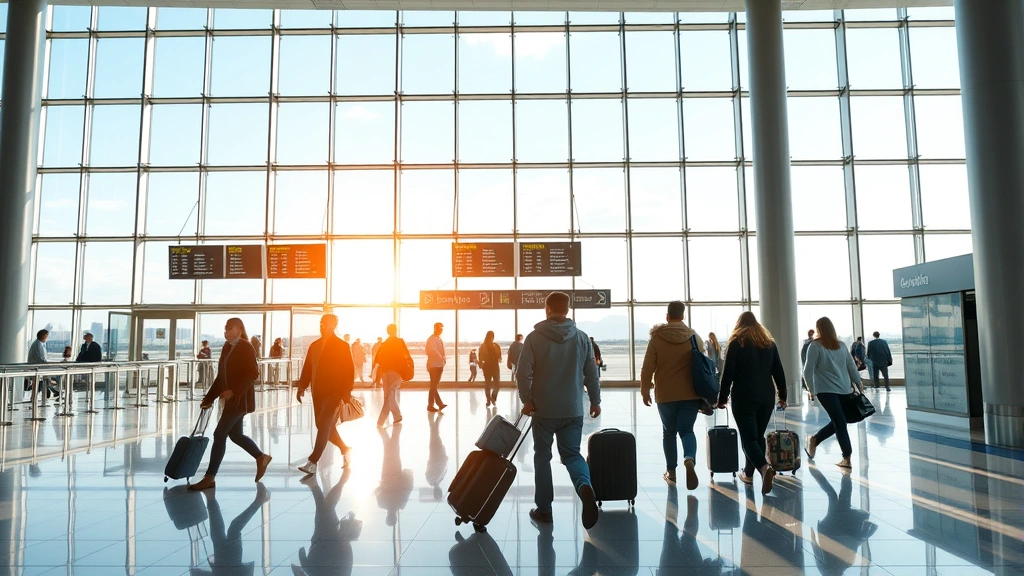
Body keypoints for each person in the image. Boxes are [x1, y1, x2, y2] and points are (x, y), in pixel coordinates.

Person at [517, 291, 602, 530]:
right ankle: (585, 486)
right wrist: (595, 401)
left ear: (547, 309)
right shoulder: (582, 338)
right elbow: (591, 374)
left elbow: (522, 373)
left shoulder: (534, 338)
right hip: (573, 409)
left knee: (542, 457)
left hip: (544, 410)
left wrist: (527, 399)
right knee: (572, 455)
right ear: (567, 310)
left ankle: (544, 510)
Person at [190, 318, 273, 491]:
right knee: (235, 435)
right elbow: (221, 377)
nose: (225, 331)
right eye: (225, 328)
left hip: (239, 401)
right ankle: (261, 457)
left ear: (239, 329)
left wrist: (234, 391)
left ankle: (210, 476)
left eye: (229, 328)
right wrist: (209, 398)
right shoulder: (227, 347)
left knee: (220, 434)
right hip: (230, 401)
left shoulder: (245, 347)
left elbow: (252, 374)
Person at [716, 311, 787, 495]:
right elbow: (778, 371)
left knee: (748, 438)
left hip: (744, 395)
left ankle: (764, 469)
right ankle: (748, 474)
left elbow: (728, 374)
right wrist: (783, 395)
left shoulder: (736, 342)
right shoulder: (769, 343)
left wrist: (722, 398)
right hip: (766, 396)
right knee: (757, 436)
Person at [641, 301, 706, 489]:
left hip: (665, 395)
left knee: (668, 433)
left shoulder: (656, 338)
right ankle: (690, 459)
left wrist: (645, 390)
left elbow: (647, 368)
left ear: (667, 316)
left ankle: (671, 471)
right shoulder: (694, 337)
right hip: (690, 394)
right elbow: (703, 365)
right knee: (687, 430)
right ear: (683, 316)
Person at [295, 314, 355, 476]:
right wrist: (301, 386)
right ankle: (345, 448)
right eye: (321, 323)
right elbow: (308, 367)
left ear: (334, 324)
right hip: (318, 392)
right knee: (323, 426)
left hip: (334, 392)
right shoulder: (315, 345)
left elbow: (349, 370)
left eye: (326, 323)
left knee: (324, 425)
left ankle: (313, 462)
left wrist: (346, 392)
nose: (322, 325)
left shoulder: (341, 345)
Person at [804, 317, 864, 470]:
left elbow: (807, 371)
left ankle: (815, 440)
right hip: (837, 390)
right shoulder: (841, 346)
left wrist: (811, 390)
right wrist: (858, 382)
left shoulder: (816, 346)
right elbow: (851, 366)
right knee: (840, 421)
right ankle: (847, 457)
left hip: (830, 391)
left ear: (819, 329)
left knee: (839, 421)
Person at [293, 469, 359, 576]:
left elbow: (347, 563)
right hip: (324, 543)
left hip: (333, 545)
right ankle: (315, 485)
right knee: (326, 509)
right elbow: (305, 565)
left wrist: (345, 545)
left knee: (327, 507)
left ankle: (320, 484)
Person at [193, 485, 270, 576]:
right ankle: (211, 498)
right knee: (228, 531)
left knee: (226, 532)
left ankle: (211, 498)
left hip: (227, 568)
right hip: (227, 568)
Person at [373, 324, 410, 427]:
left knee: (388, 395)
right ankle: (395, 416)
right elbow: (406, 356)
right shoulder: (400, 342)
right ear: (396, 330)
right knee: (390, 395)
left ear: (387, 331)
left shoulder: (384, 344)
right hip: (396, 371)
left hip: (385, 372)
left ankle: (383, 420)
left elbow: (377, 359)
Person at [28, 329, 59, 399]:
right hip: (37, 367)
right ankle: (54, 390)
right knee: (52, 378)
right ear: (43, 336)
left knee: (44, 380)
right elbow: (41, 358)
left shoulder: (38, 344)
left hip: (37, 367)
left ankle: (52, 390)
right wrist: (49, 364)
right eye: (46, 336)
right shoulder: (38, 345)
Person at [425, 323, 447, 412]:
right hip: (434, 365)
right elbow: (431, 351)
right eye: (439, 329)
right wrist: (441, 358)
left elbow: (441, 352)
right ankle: (430, 405)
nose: (440, 331)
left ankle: (439, 404)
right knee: (433, 385)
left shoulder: (439, 339)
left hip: (440, 364)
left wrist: (443, 359)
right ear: (435, 328)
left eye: (441, 329)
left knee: (434, 385)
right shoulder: (431, 340)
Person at [478, 331, 502, 407]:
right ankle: (491, 398)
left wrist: (481, 364)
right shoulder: (493, 345)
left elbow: (480, 357)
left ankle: (491, 398)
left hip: (490, 366)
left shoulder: (492, 345)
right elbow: (480, 356)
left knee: (489, 383)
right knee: (493, 383)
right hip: (491, 366)